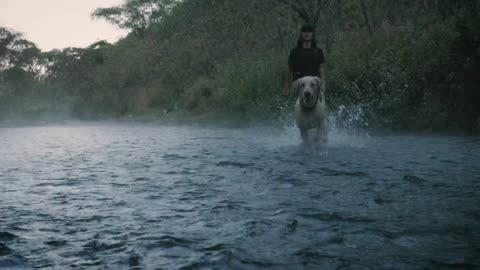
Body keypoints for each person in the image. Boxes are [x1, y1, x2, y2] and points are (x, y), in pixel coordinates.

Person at [285, 24, 326, 95]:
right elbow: (289, 70)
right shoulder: (295, 51)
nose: (307, 33)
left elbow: (321, 69)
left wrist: (323, 84)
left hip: (314, 83)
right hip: (298, 84)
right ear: (301, 34)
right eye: (304, 31)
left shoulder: (318, 51)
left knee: (320, 104)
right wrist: (286, 88)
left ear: (312, 34)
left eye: (309, 31)